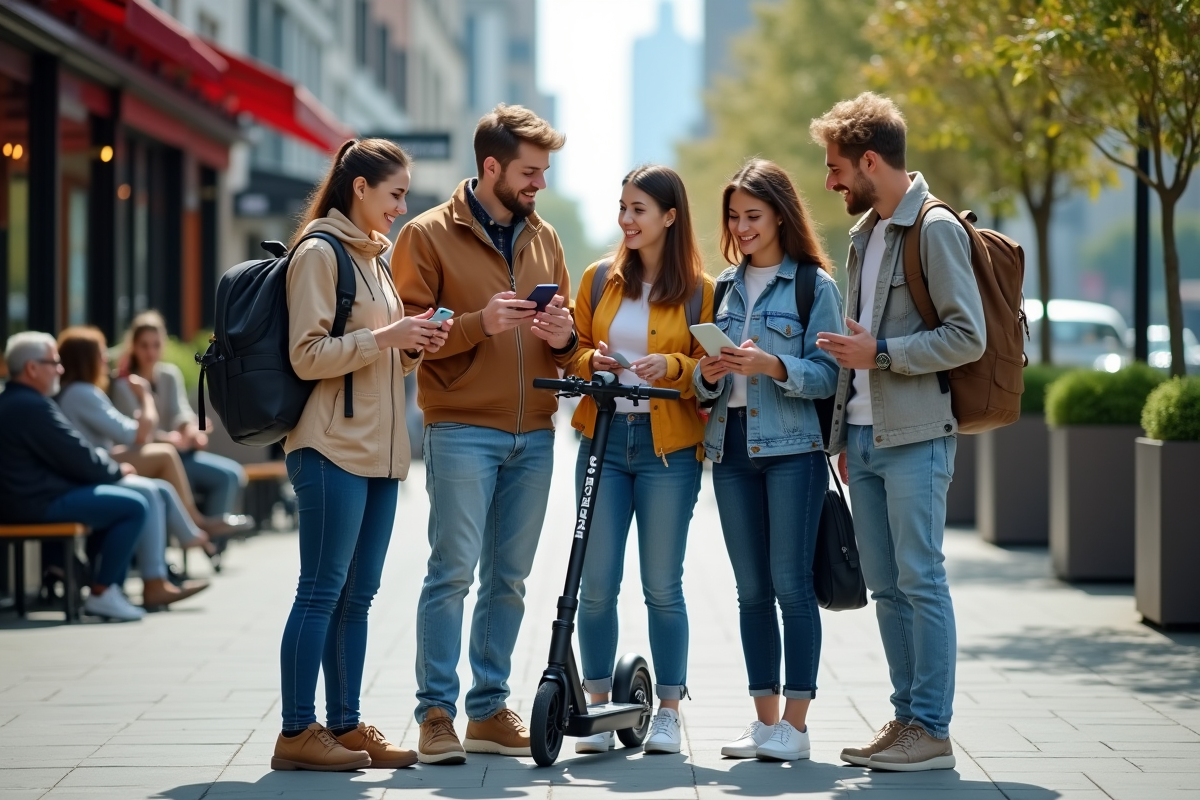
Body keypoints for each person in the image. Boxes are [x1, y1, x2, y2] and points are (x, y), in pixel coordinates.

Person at [393, 104, 576, 765]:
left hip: (535, 432)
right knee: (452, 574)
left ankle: (490, 710)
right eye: (530, 172)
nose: (540, 185)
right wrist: (478, 324)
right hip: (462, 430)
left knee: (510, 580)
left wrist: (566, 337)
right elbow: (408, 342)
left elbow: (568, 333)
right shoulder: (425, 236)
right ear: (490, 167)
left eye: (545, 172)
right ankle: (436, 715)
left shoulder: (544, 236)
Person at [810, 93, 985, 772]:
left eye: (835, 168)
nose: (830, 182)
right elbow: (862, 343)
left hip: (916, 436)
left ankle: (933, 729)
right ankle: (907, 716)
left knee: (920, 579)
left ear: (870, 161)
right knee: (885, 586)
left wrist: (881, 355)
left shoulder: (933, 227)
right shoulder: (866, 235)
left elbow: (965, 336)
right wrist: (845, 435)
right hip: (865, 439)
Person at [270, 138, 450, 773]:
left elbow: (381, 356)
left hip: (380, 451)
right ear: (360, 189)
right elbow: (307, 355)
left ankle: (344, 726)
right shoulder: (319, 254)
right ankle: (297, 731)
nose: (402, 207)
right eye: (396, 193)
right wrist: (385, 336)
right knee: (320, 591)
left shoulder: (374, 258)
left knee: (359, 596)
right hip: (330, 448)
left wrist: (414, 342)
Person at [693, 159, 843, 762]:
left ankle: (797, 727)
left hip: (792, 453)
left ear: (780, 215)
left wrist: (773, 366)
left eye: (753, 215)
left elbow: (830, 373)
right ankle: (764, 724)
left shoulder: (813, 286)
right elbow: (707, 391)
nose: (742, 227)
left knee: (790, 586)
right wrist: (708, 373)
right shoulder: (723, 287)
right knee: (750, 590)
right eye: (734, 217)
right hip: (729, 449)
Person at [567, 165, 711, 756]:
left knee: (662, 585)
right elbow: (571, 349)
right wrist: (589, 362)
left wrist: (672, 368)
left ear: (669, 217)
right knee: (595, 585)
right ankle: (599, 708)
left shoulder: (703, 290)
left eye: (639, 210)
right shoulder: (599, 279)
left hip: (667, 453)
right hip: (602, 441)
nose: (626, 220)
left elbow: (709, 370)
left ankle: (671, 710)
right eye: (622, 207)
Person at [55, 326, 212, 609]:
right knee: (149, 492)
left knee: (160, 489)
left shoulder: (81, 392)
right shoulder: (81, 393)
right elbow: (137, 434)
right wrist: (145, 398)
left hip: (97, 468)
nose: (106, 361)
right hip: (89, 475)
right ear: (86, 359)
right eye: (100, 355)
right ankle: (142, 583)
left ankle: (162, 572)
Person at [0, 332, 149, 622]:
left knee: (116, 503)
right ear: (32, 368)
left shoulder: (12, 401)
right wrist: (116, 471)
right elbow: (76, 454)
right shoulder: (31, 406)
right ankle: (104, 592)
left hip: (23, 500)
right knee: (134, 505)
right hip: (34, 504)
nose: (60, 369)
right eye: (54, 362)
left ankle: (100, 585)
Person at [112, 311, 248, 520]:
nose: (150, 352)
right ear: (134, 347)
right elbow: (133, 432)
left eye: (156, 345)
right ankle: (200, 531)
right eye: (144, 345)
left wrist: (192, 431)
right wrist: (170, 439)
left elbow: (180, 411)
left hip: (181, 453)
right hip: (149, 458)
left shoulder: (169, 374)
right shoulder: (124, 384)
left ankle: (212, 541)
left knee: (232, 475)